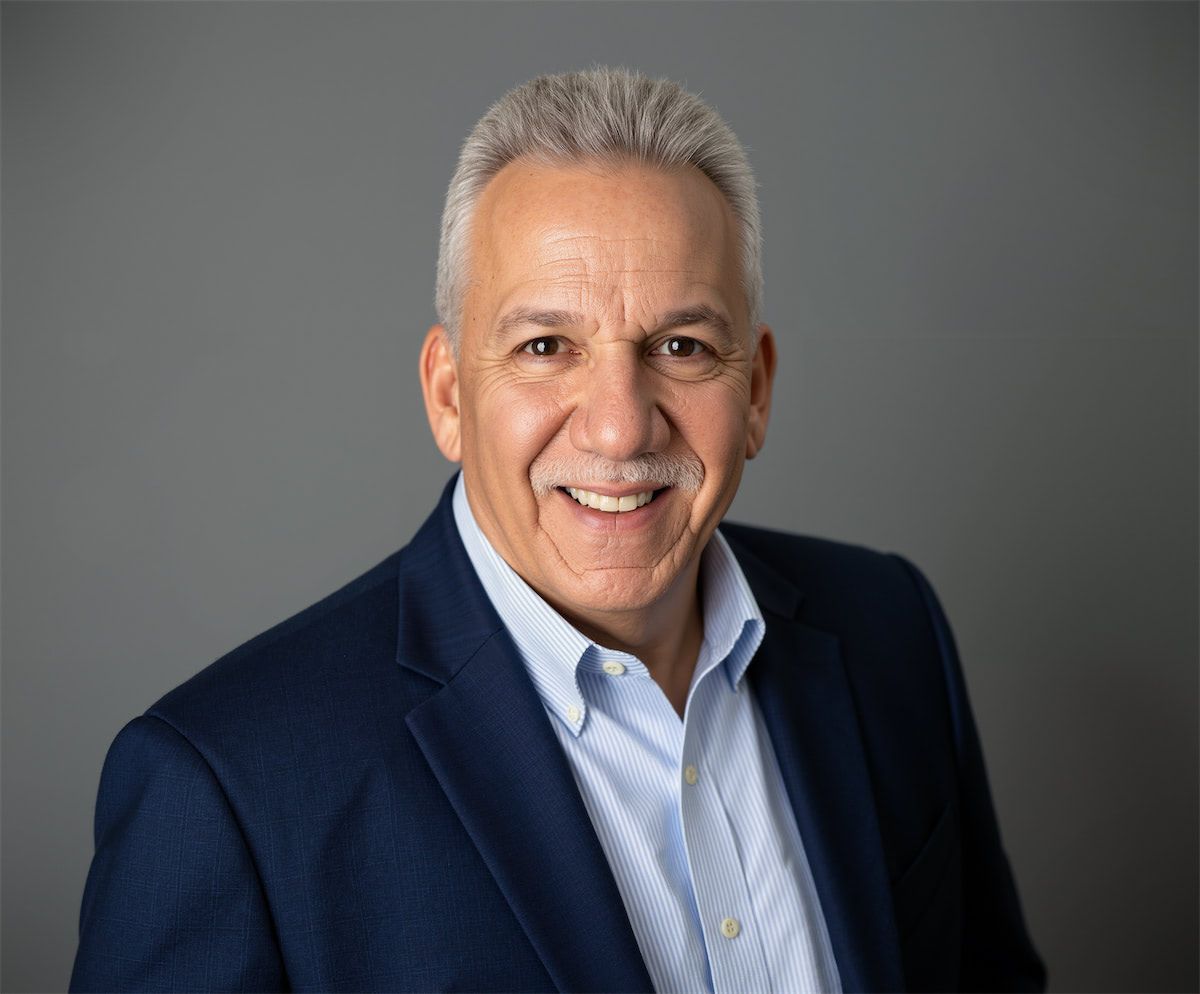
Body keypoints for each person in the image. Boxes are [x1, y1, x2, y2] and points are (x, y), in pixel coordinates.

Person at [70, 67, 1045, 993]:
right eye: (546, 346)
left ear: (757, 389)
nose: (620, 424)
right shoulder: (227, 789)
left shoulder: (892, 632)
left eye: (681, 345)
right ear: (450, 394)